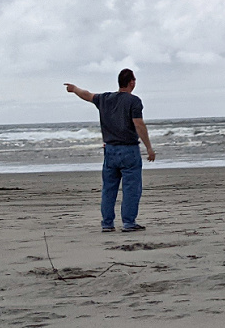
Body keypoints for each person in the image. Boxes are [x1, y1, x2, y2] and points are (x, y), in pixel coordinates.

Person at [65, 69, 156, 232]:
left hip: (110, 150)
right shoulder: (133, 101)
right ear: (132, 82)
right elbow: (138, 124)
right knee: (131, 188)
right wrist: (149, 147)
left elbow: (86, 95)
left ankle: (107, 223)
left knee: (109, 188)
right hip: (128, 150)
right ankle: (128, 222)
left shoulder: (104, 98)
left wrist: (74, 89)